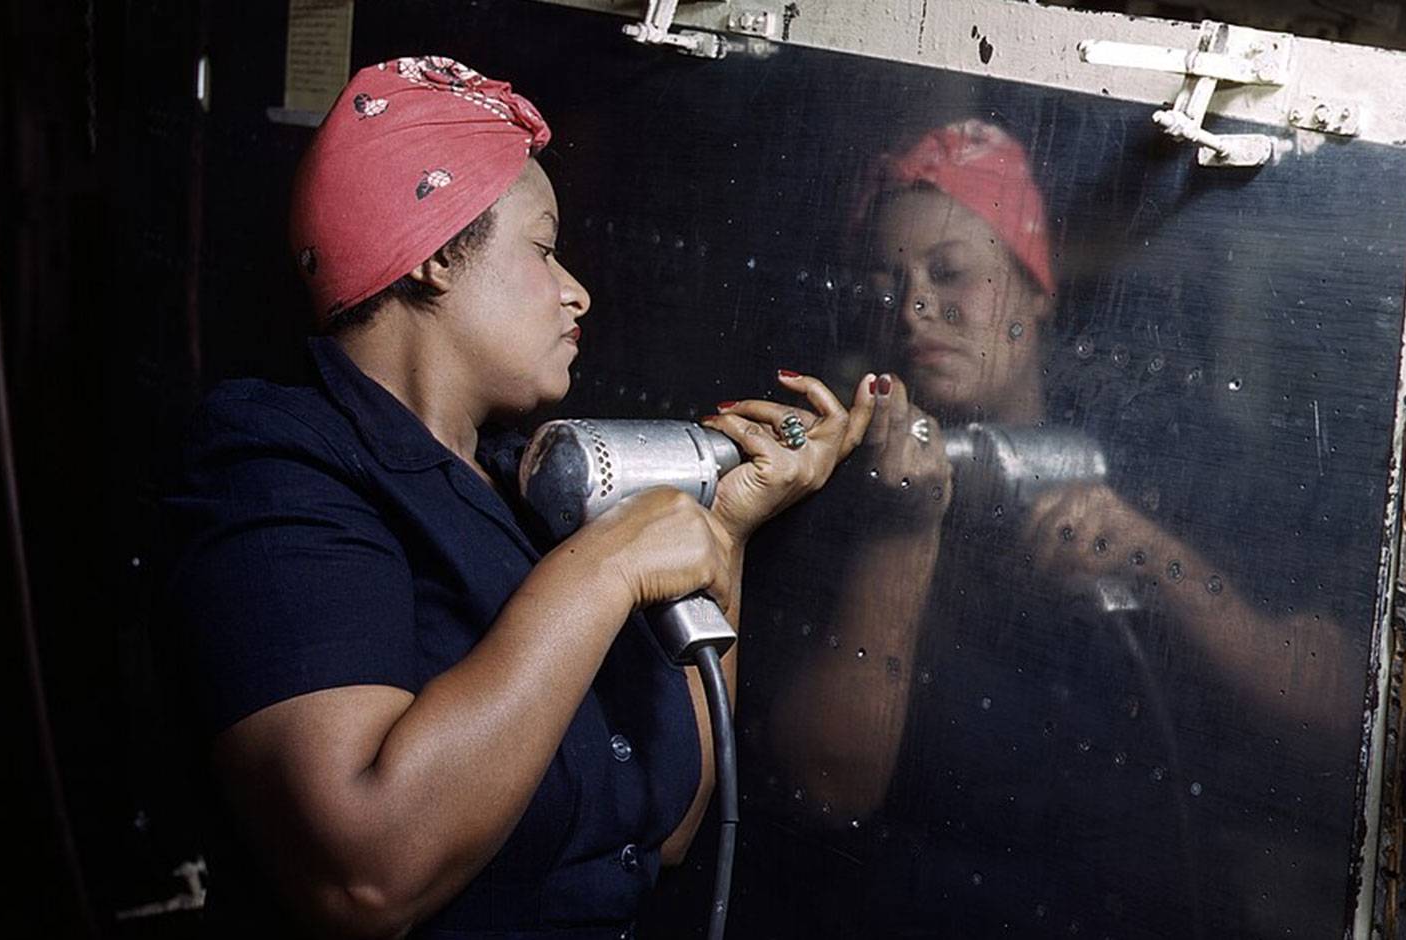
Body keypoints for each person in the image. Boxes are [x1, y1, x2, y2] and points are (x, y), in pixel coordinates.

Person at [165, 56, 875, 939]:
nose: (576, 289)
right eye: (542, 249)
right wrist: (608, 569)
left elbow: (670, 830)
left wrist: (722, 533)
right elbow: (363, 875)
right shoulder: (277, 469)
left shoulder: (520, 488)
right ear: (433, 255)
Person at [759, 119, 1357, 936]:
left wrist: (1157, 561)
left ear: (1037, 290)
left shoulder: (1161, 449)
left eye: (953, 273)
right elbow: (826, 787)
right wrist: (900, 536)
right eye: (882, 282)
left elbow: (1340, 714)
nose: (915, 306)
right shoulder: (832, 487)